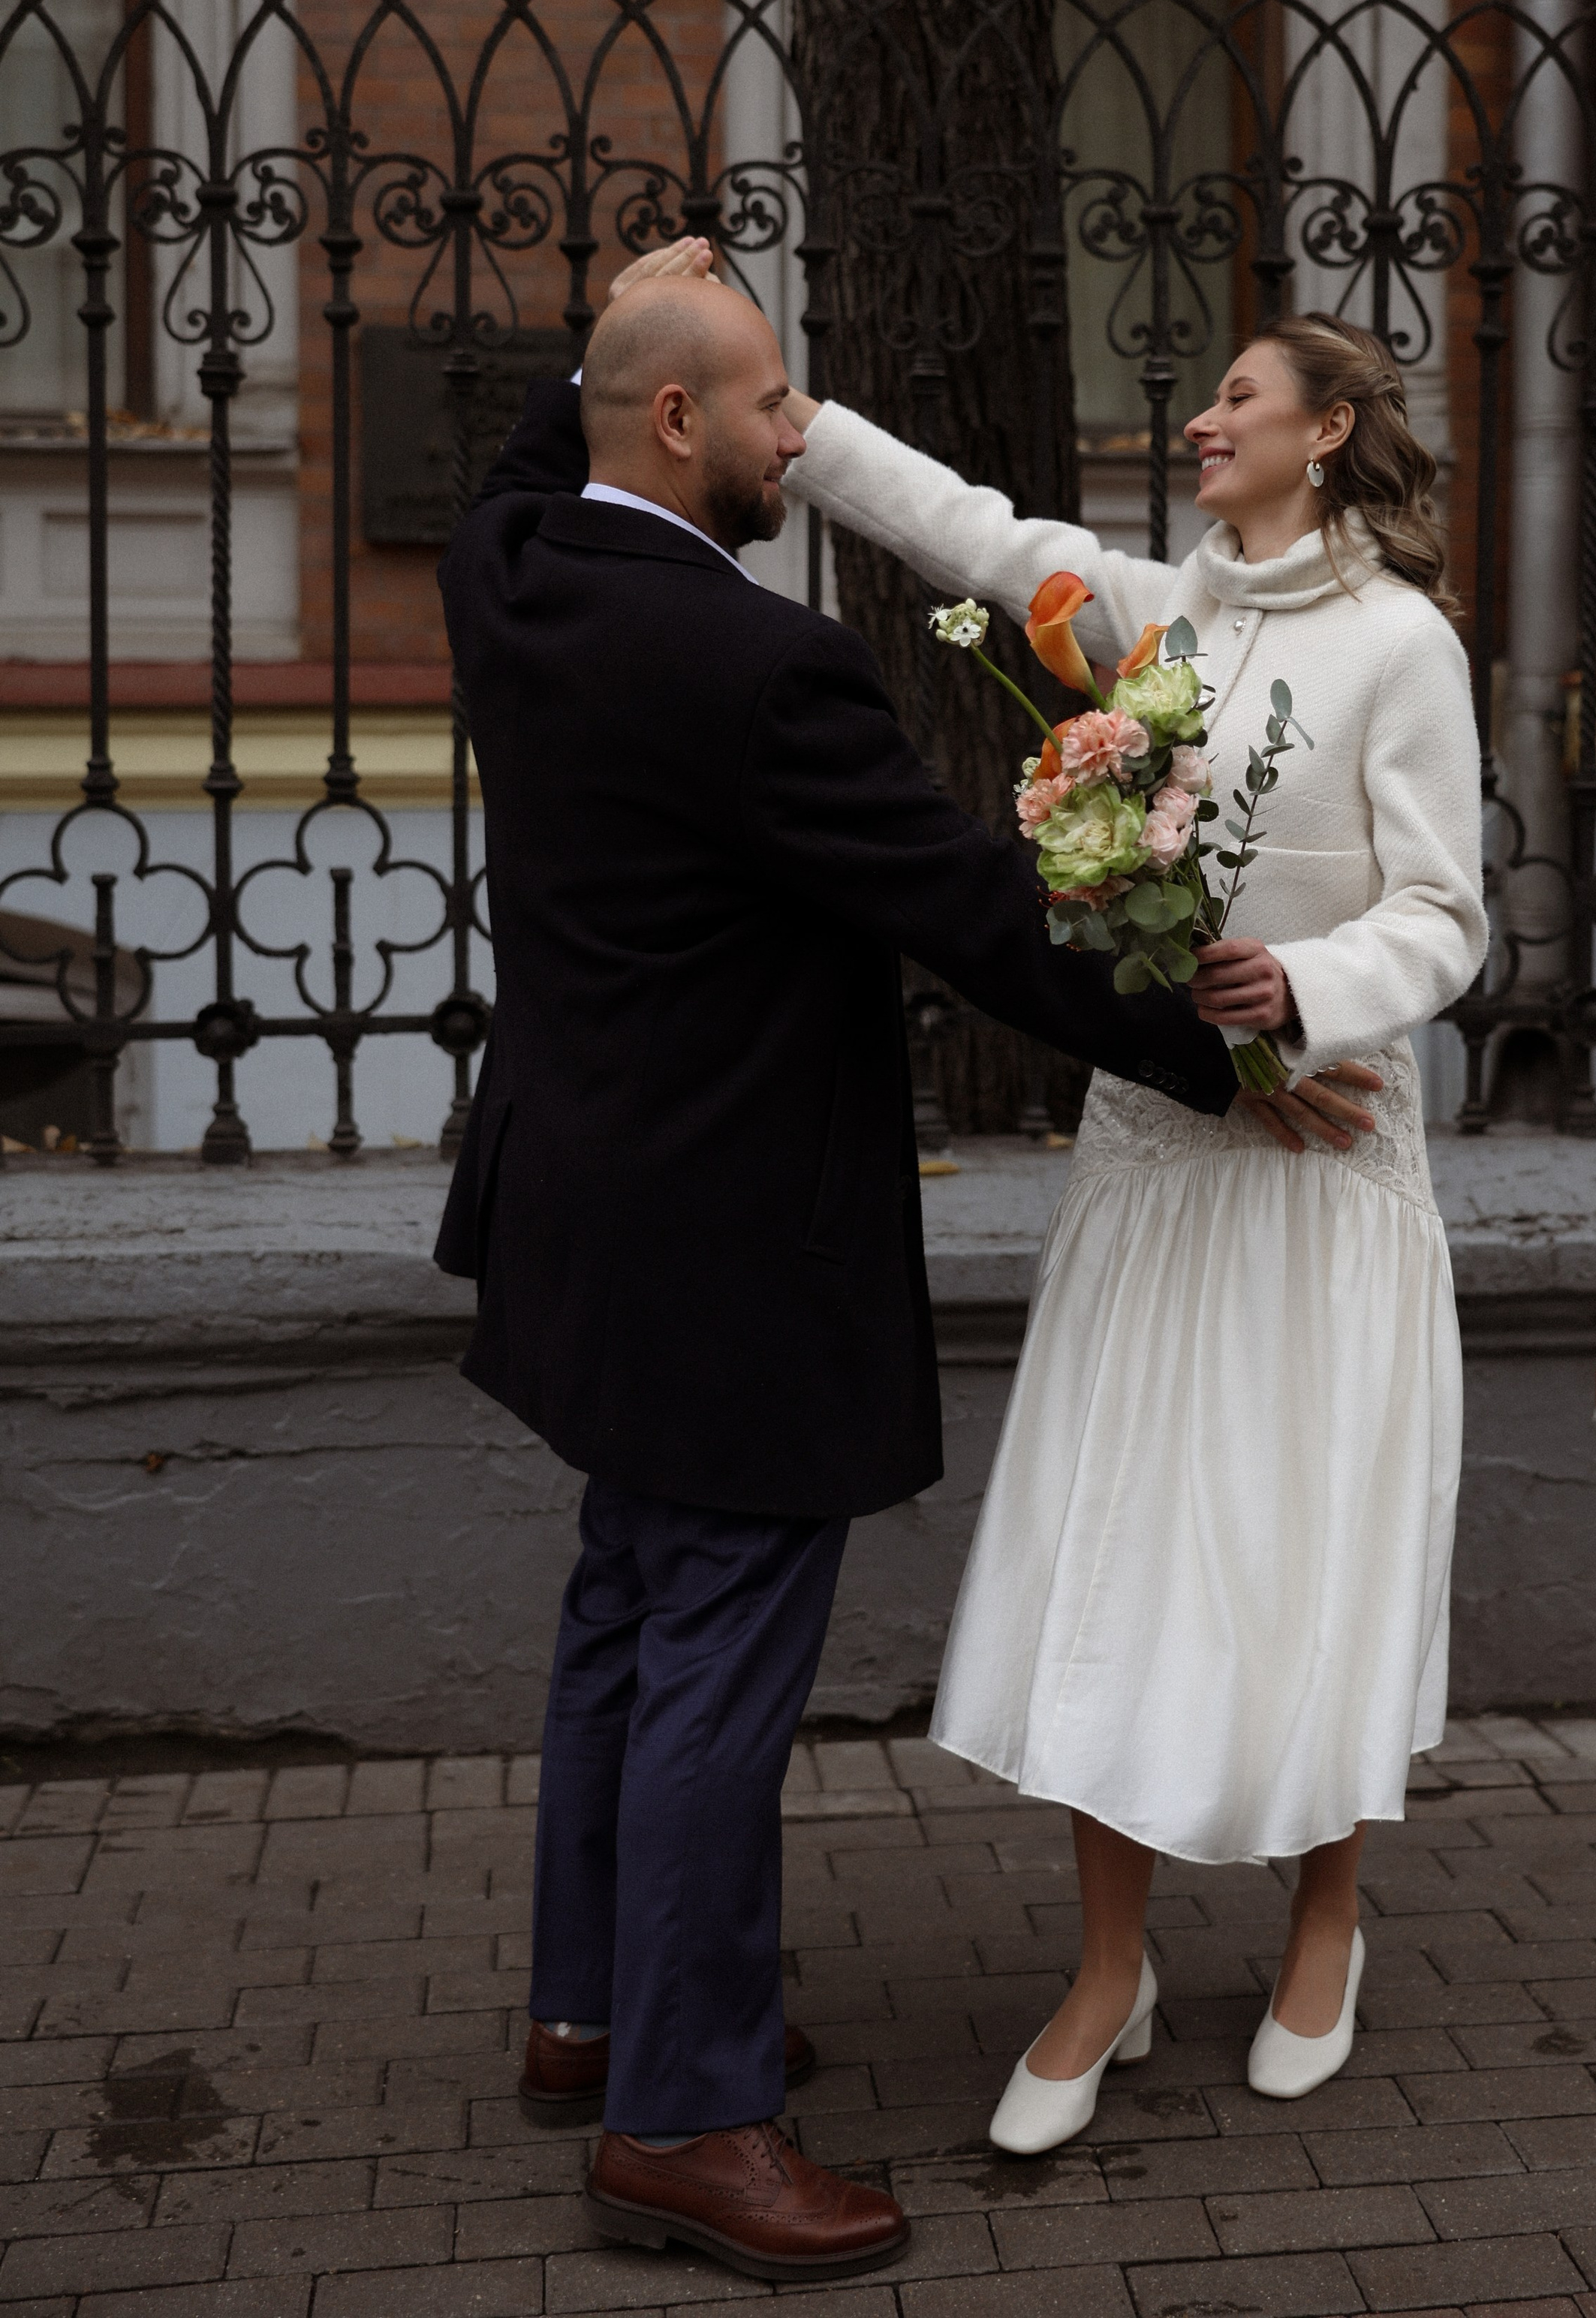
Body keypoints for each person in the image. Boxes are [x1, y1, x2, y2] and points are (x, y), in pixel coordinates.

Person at [432, 253, 1306, 2280]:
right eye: (762, 408)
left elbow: (511, 456)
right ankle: (686, 2115)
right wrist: (1230, 1063)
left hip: (577, 1220)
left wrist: (629, 311)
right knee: (716, 1671)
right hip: (732, 1255)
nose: (790, 439)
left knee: (625, 1621)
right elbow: (983, 918)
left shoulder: (511, 569)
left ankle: (595, 2015)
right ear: (675, 423)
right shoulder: (754, 671)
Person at [775, 304, 1487, 2153]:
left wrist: (1300, 990)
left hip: (1321, 1161)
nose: (1199, 422)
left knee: (1303, 1542)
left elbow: (1442, 914)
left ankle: (1323, 1919)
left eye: (1238, 397)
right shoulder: (1151, 616)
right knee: (1121, 1547)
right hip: (1158, 1159)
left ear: (1325, 432)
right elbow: (975, 534)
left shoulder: (1401, 646)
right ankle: (1111, 1965)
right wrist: (793, 419)